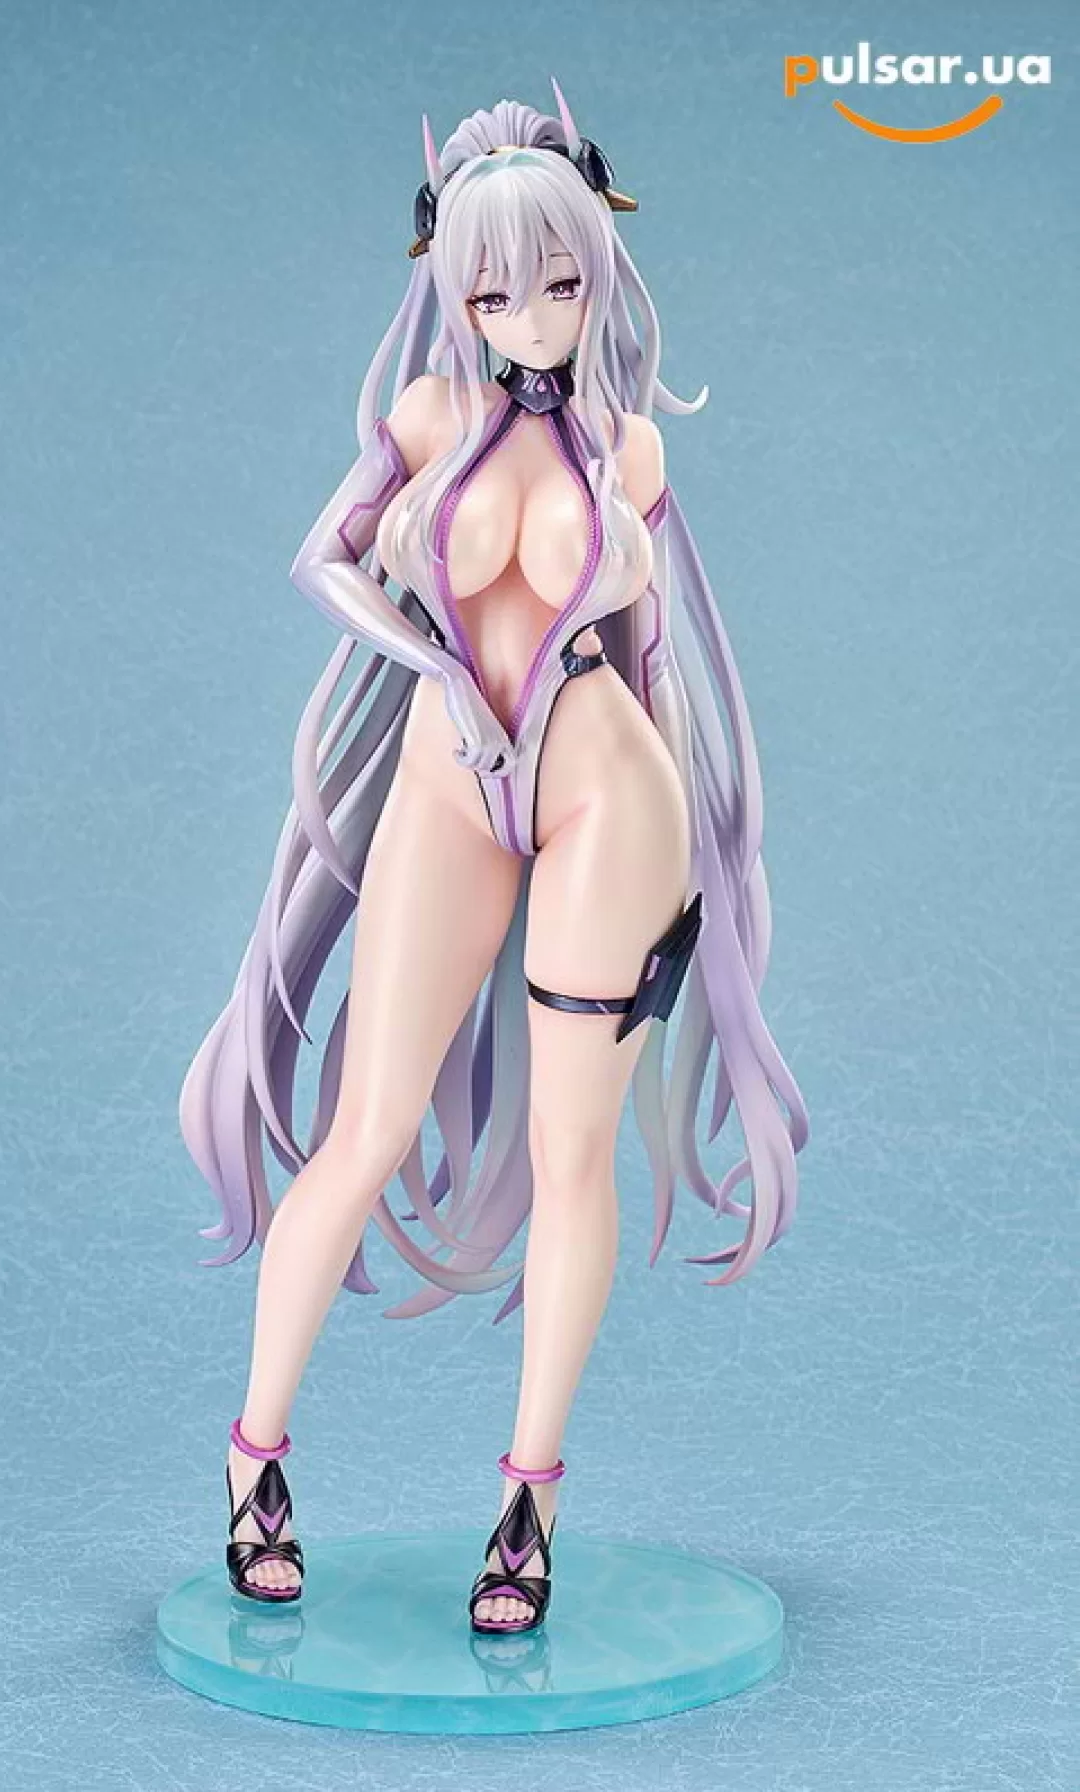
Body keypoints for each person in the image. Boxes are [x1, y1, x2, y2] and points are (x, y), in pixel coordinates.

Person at [180, 83, 808, 1636]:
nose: (532, 318)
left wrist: (698, 863)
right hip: (451, 783)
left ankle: (529, 1503)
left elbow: (649, 656)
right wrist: (439, 671)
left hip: (607, 790)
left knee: (572, 1157)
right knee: (365, 1129)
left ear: (600, 271)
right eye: (494, 292)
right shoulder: (427, 423)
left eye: (560, 282)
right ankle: (255, 1459)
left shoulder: (630, 450)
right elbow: (321, 561)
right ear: (453, 294)